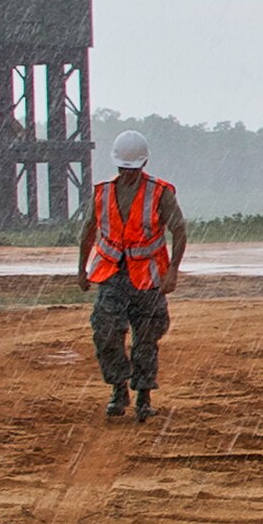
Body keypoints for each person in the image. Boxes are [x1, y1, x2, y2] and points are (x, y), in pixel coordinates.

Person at [77, 130, 188, 422]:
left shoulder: (159, 192)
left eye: (132, 168)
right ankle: (118, 390)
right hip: (112, 275)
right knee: (106, 333)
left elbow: (179, 230)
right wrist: (82, 270)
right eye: (123, 168)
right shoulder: (102, 192)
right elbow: (88, 232)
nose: (127, 174)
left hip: (148, 279)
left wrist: (172, 271)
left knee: (146, 340)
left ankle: (143, 397)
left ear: (143, 164)